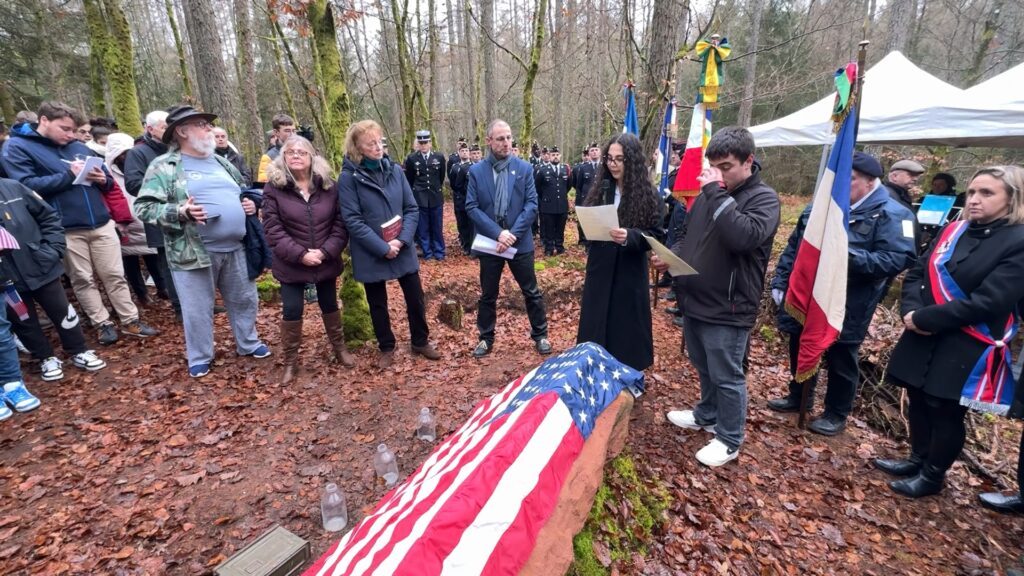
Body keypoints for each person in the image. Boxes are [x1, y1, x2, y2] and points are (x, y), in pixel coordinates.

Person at [876, 166, 1024, 498]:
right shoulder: (953, 230)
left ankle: (933, 475)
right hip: (923, 329)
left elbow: (990, 300)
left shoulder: (1018, 241)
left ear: (1011, 199)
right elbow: (917, 272)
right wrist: (910, 312)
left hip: (966, 339)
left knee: (944, 408)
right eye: (972, 192)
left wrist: (926, 319)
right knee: (916, 397)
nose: (974, 200)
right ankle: (916, 458)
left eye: (987, 193)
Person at [767, 152, 917, 435]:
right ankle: (799, 396)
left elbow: (896, 260)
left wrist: (843, 253)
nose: (840, 186)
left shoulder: (894, 214)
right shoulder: (820, 207)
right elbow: (795, 247)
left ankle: (836, 412)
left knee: (841, 356)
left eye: (850, 180)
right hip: (807, 294)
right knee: (800, 343)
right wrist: (781, 280)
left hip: (852, 299)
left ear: (870, 182)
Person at [657, 126, 780, 467]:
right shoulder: (711, 195)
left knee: (726, 374)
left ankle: (729, 438)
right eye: (715, 167)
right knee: (703, 365)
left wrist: (715, 191)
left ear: (748, 161)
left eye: (726, 167)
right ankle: (706, 414)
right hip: (695, 299)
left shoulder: (763, 199)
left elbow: (744, 236)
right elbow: (686, 235)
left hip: (730, 304)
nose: (719, 174)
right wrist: (670, 255)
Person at [0, 101, 159, 345]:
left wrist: (102, 178)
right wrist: (68, 176)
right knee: (82, 278)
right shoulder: (18, 147)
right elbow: (25, 187)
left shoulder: (77, 147)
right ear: (44, 121)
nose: (72, 135)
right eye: (65, 129)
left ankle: (130, 320)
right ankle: (102, 323)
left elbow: (107, 182)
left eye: (73, 129)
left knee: (115, 274)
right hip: (64, 226)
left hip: (100, 221)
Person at [136, 104, 270, 378]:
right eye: (202, 125)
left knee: (245, 300)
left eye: (208, 125)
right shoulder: (164, 166)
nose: (209, 129)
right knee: (197, 308)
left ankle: (248, 342)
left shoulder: (221, 162)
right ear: (183, 131)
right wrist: (180, 212)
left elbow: (241, 193)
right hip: (192, 251)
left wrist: (247, 205)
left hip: (236, 247)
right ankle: (200, 355)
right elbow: (144, 207)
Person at [339, 120, 440, 369]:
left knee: (415, 296)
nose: (377, 148)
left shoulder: (395, 170)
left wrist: (402, 240)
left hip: (401, 244)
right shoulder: (348, 178)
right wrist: (383, 247)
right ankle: (386, 346)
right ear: (357, 148)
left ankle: (420, 340)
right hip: (371, 249)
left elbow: (411, 208)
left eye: (379, 142)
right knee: (377, 302)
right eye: (370, 144)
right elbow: (352, 219)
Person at [262, 135, 353, 382]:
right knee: (292, 310)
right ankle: (290, 362)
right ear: (283, 157)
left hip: (325, 259)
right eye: (290, 152)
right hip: (291, 262)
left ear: (312, 156)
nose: (296, 156)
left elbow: (340, 223)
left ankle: (340, 349)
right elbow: (272, 229)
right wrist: (300, 255)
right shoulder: (273, 188)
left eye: (302, 152)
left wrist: (325, 252)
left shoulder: (328, 186)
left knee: (330, 305)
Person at [0, 177, 107, 381]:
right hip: (6, 279)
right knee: (24, 320)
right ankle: (45, 358)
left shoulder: (13, 187)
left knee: (62, 310)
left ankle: (79, 350)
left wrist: (52, 249)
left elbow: (48, 216)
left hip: (40, 265)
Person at [576, 133, 662, 371]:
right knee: (597, 318)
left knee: (626, 323)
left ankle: (627, 370)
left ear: (632, 161)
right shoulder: (601, 189)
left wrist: (630, 236)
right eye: (609, 158)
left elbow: (656, 235)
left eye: (619, 159)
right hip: (601, 266)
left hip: (629, 268)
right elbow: (587, 224)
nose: (612, 164)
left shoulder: (648, 195)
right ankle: (593, 367)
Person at [465, 119, 551, 358]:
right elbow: (471, 207)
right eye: (500, 138)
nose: (506, 143)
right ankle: (485, 338)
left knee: (531, 291)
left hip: (519, 241)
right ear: (489, 141)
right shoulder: (476, 171)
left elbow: (531, 204)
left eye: (509, 138)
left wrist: (511, 234)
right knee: (488, 294)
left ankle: (541, 335)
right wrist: (498, 233)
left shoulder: (524, 169)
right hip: (489, 242)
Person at [104, 132, 166, 306]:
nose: (126, 157)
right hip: (123, 222)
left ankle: (163, 287)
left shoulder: (139, 165)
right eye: (122, 154)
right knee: (130, 261)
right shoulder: (108, 172)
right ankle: (142, 293)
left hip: (144, 219)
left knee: (152, 256)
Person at [125, 109, 176, 308]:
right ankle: (179, 307)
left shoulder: (176, 149)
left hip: (186, 214)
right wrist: (167, 189)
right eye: (164, 127)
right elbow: (133, 183)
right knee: (169, 263)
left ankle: (200, 302)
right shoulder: (137, 153)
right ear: (150, 129)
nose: (168, 131)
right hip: (159, 216)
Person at [404, 130, 447, 260]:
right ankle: (427, 252)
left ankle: (439, 252)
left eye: (425, 142)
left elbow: (440, 177)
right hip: (420, 198)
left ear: (430, 143)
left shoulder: (438, 157)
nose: (423, 145)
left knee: (437, 226)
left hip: (435, 196)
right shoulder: (412, 159)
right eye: (421, 143)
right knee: (423, 227)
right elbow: (410, 179)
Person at [536, 145, 571, 255]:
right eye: (553, 155)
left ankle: (559, 246)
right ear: (549, 156)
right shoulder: (542, 171)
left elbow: (568, 185)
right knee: (549, 228)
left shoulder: (565, 169)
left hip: (562, 205)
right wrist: (546, 198)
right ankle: (549, 248)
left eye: (557, 155)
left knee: (560, 228)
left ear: (560, 156)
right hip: (548, 205)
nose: (555, 157)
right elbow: (538, 187)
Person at [448, 143, 474, 255]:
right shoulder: (455, 167)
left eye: (466, 150)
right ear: (458, 152)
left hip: (472, 199)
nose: (464, 152)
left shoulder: (474, 166)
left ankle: (473, 246)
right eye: (462, 151)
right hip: (460, 198)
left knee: (472, 223)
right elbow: (454, 184)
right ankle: (465, 244)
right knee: (462, 222)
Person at [256, 113, 297, 184]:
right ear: (276, 132)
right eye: (287, 131)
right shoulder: (269, 157)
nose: (292, 134)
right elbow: (263, 185)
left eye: (293, 131)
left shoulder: (302, 153)